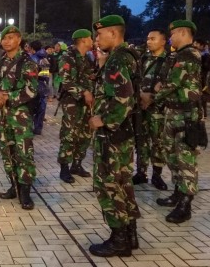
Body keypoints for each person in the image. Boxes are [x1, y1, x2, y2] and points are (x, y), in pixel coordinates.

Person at [88, 15, 141, 257]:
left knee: (107, 184)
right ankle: (130, 235)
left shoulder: (117, 60)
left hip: (111, 134)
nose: (96, 39)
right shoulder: (125, 57)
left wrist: (104, 120)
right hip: (122, 133)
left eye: (99, 34)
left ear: (113, 33)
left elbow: (124, 97)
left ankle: (119, 238)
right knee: (122, 182)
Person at [141, 20, 202, 224]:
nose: (171, 38)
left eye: (174, 34)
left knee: (186, 159)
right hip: (172, 112)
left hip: (186, 116)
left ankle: (186, 204)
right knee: (172, 155)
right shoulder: (177, 55)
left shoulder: (189, 55)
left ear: (183, 33)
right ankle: (178, 192)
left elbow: (171, 82)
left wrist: (152, 95)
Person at [0, 26, 39, 210]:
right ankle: (14, 185)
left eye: (10, 38)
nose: (6, 41)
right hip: (3, 116)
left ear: (18, 40)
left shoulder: (28, 63)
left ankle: (25, 192)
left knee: (23, 153)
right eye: (4, 38)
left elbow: (32, 90)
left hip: (21, 117)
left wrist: (7, 96)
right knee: (6, 151)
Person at [132, 29, 170, 190]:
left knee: (158, 141)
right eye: (148, 39)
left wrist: (152, 97)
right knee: (141, 140)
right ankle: (141, 172)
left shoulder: (170, 60)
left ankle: (157, 174)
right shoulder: (142, 58)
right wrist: (140, 95)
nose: (149, 41)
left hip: (158, 109)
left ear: (163, 41)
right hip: (141, 106)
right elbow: (134, 78)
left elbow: (170, 84)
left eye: (153, 39)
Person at [57, 29, 94, 184]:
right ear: (84, 40)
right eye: (90, 38)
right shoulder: (68, 57)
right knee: (70, 133)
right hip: (72, 102)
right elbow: (66, 81)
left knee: (85, 133)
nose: (93, 41)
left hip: (87, 103)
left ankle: (77, 164)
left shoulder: (87, 58)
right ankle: (64, 168)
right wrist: (84, 92)